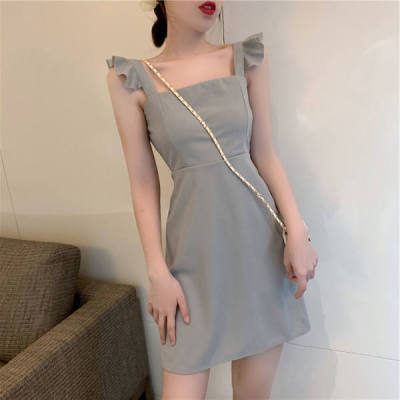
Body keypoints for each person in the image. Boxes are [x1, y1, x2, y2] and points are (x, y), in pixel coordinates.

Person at [106, 1, 318, 398]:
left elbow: (264, 154)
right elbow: (143, 183)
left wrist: (297, 231)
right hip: (192, 261)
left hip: (258, 251)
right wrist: (157, 271)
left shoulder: (246, 59)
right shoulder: (129, 80)